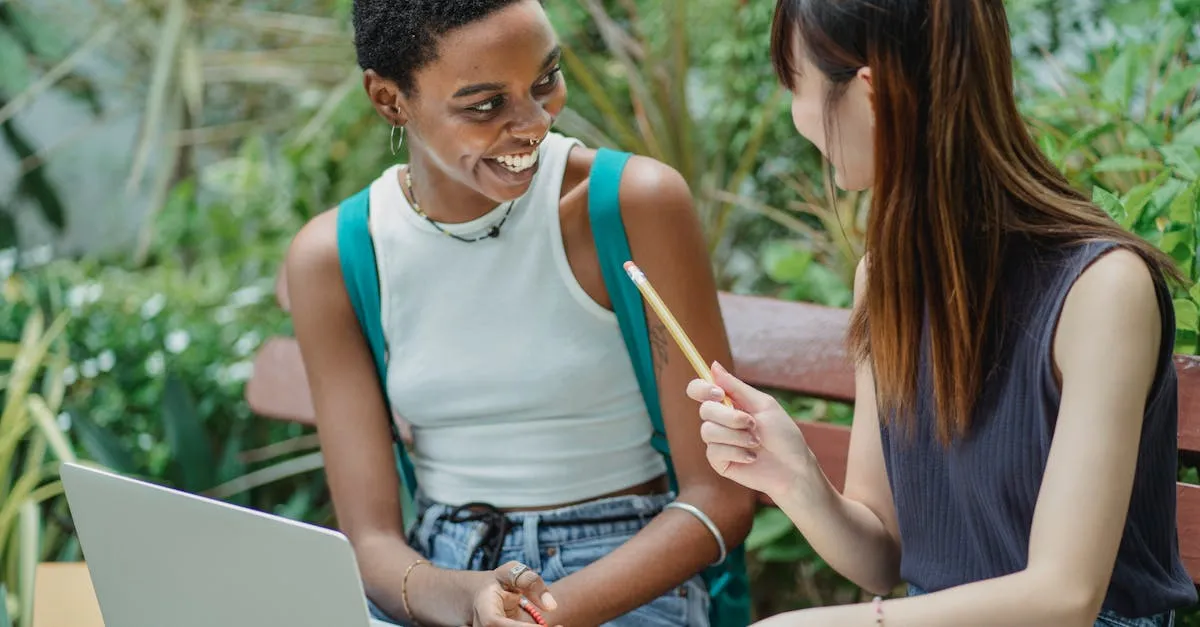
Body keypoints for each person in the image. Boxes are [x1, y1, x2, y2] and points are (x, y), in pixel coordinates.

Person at [685, 0, 1199, 626]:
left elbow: (1066, 597)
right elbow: (882, 556)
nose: (798, 116)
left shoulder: (1101, 288)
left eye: (797, 84)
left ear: (871, 95)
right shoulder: (886, 278)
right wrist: (794, 477)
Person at [284, 1, 757, 626]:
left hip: (621, 576)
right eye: (485, 105)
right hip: (440, 581)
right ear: (390, 99)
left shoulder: (627, 204)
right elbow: (371, 542)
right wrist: (468, 603)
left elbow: (719, 495)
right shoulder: (340, 256)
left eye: (545, 81)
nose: (534, 124)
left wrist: (541, 616)